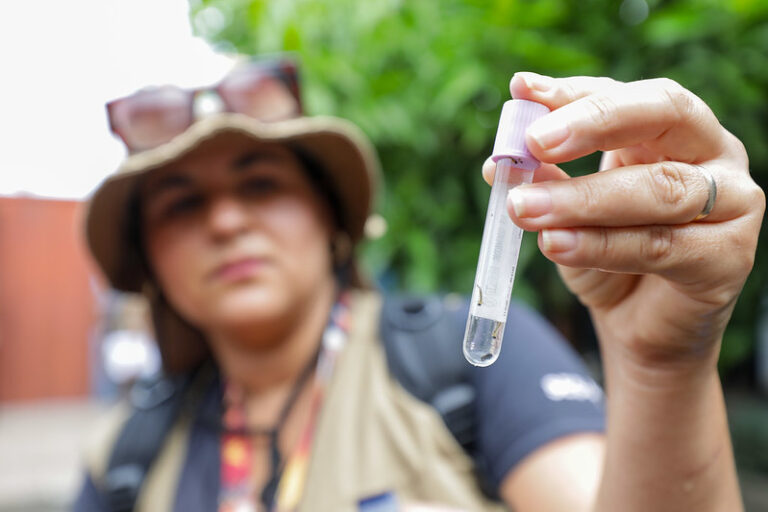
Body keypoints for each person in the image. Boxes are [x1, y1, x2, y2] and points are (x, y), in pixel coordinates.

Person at [73, 54, 764, 512]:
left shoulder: (459, 367)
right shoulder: (125, 458)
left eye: (261, 184)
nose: (226, 222)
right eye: (182, 203)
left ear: (331, 220)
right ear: (148, 257)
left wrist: (662, 369)